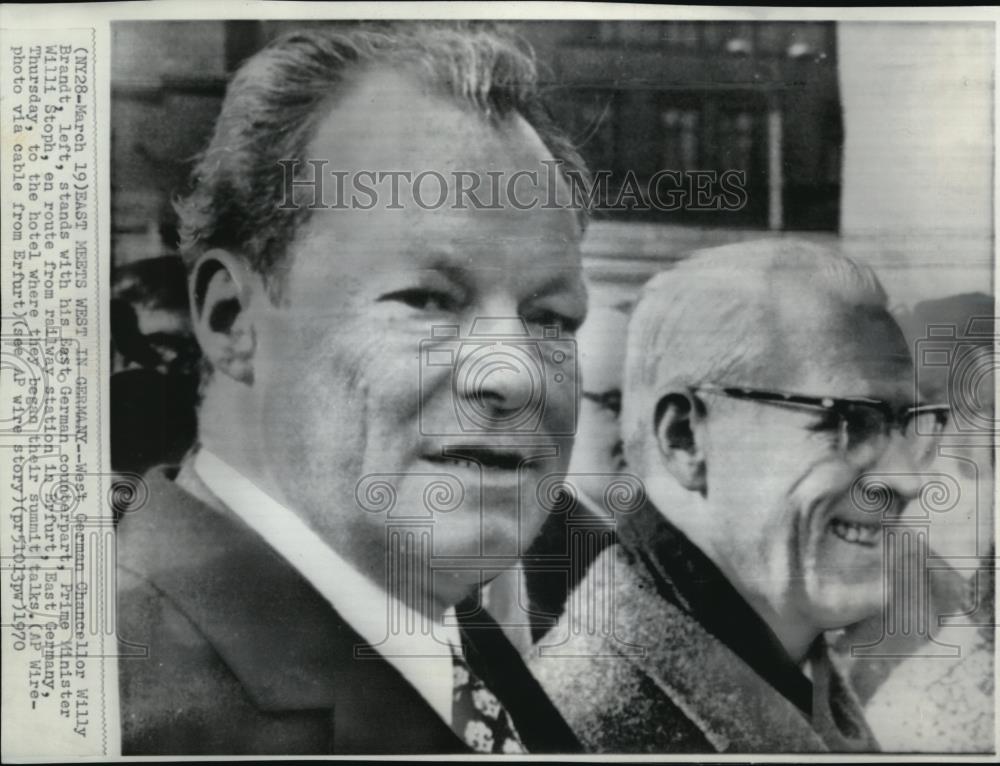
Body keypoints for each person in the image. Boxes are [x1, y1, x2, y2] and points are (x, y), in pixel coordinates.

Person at [116, 23, 588, 755]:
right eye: (429, 300)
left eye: (552, 317)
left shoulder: (481, 652)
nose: (514, 374)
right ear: (232, 319)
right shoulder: (118, 703)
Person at [528, 239, 952, 752]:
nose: (908, 480)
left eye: (910, 424)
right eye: (852, 420)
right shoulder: (577, 729)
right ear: (685, 438)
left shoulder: (787, 666)